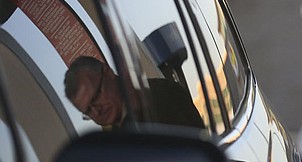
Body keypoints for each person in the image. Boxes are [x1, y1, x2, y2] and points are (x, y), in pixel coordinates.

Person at [64, 55, 204, 129]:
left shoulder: (162, 96)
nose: (96, 112)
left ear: (108, 72)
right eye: (88, 111)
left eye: (96, 97)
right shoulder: (113, 145)